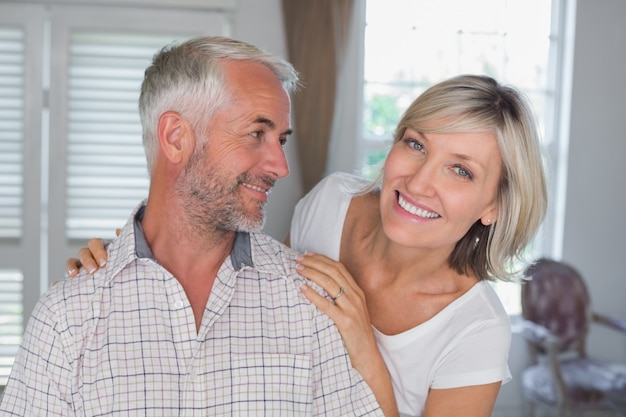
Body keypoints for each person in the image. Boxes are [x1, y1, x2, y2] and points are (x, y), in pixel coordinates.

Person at [65, 74, 548, 417]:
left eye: (461, 170)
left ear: (495, 206)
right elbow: (253, 298)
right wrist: (135, 259)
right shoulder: (332, 202)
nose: (419, 182)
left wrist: (362, 342)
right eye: (417, 145)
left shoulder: (476, 329)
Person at [0, 36, 383, 417]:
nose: (280, 167)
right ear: (176, 137)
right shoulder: (68, 317)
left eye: (280, 140)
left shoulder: (309, 302)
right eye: (256, 134)